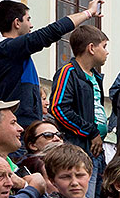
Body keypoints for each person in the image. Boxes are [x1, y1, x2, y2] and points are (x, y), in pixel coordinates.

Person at [0, 0, 103, 127]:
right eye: (28, 19)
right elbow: (50, 32)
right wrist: (88, 13)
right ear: (17, 23)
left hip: (15, 126)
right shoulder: (8, 49)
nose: (31, 25)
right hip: (19, 128)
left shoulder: (6, 53)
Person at [46, 25, 111, 175]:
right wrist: (90, 132)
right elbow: (58, 108)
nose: (107, 52)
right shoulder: (68, 72)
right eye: (104, 46)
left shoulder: (95, 76)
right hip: (78, 149)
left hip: (95, 150)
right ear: (91, 48)